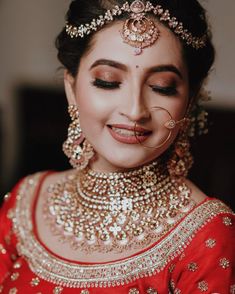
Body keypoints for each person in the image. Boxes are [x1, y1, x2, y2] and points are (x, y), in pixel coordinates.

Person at [0, 0, 234, 293]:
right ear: (71, 89)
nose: (135, 111)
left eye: (162, 86)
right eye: (107, 81)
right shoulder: (25, 203)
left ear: (190, 99)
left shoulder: (206, 233)